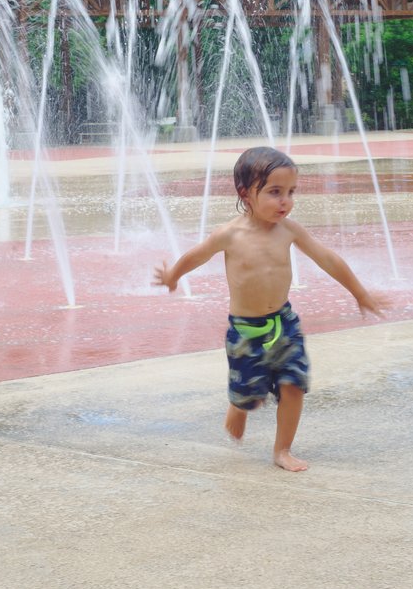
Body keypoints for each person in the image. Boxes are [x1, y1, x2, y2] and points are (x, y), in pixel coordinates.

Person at [153, 146, 384, 471]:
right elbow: (197, 255)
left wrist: (360, 293)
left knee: (294, 384)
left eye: (290, 192)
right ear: (246, 194)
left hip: (284, 324)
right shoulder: (229, 235)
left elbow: (327, 258)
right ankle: (239, 403)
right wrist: (173, 276)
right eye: (275, 192)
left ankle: (282, 450)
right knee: (252, 394)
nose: (285, 201)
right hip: (245, 331)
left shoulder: (290, 230)